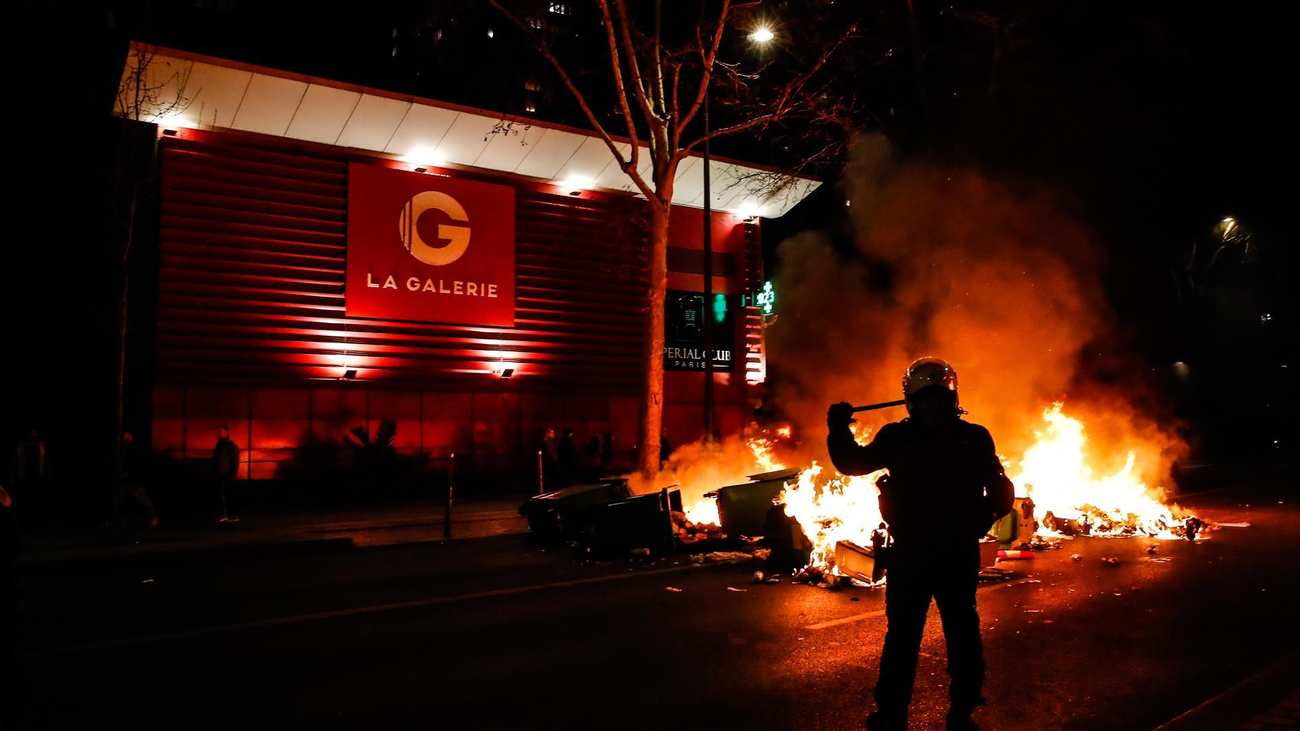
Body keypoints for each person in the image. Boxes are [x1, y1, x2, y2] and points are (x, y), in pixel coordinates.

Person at [826, 358, 1014, 731]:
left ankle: (962, 709)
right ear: (912, 401)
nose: (932, 406)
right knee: (902, 639)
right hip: (910, 554)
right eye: (925, 400)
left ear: (951, 399)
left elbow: (1001, 489)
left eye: (938, 399)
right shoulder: (897, 437)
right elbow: (853, 463)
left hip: (954, 553)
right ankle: (893, 713)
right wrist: (838, 429)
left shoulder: (973, 438)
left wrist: (981, 520)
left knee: (962, 633)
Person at [112, 431, 158, 533]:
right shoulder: (126, 447)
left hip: (133, 478)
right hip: (130, 478)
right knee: (128, 498)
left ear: (131, 436)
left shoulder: (133, 448)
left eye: (126, 434)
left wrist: (128, 472)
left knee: (140, 497)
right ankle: (123, 520)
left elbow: (136, 463)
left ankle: (152, 517)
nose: (124, 436)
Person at [212, 425, 240, 523]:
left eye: (220, 431)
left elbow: (235, 461)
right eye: (217, 432)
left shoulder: (231, 445)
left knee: (228, 494)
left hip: (227, 474)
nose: (218, 434)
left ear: (227, 432)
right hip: (221, 473)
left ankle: (232, 515)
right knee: (222, 494)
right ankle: (226, 515)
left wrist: (232, 474)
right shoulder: (220, 445)